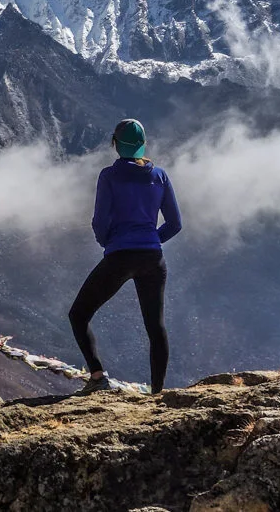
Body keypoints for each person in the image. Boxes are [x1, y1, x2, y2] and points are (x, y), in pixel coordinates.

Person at [69, 118, 181, 395]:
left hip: (120, 255)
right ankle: (157, 393)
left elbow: (100, 220)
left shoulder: (109, 176)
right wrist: (153, 239)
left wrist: (110, 242)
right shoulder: (160, 176)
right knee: (155, 326)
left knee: (79, 315)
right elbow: (175, 223)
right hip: (153, 258)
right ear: (143, 145)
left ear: (115, 144)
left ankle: (97, 376)